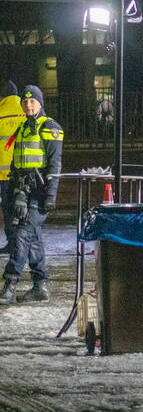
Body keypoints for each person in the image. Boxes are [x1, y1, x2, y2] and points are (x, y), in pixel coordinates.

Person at [0, 86, 63, 304]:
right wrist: (14, 192)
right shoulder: (22, 128)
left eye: (32, 101)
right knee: (33, 237)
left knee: (21, 236)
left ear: (40, 103)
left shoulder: (50, 127)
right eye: (25, 102)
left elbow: (55, 164)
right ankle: (40, 286)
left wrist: (51, 196)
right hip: (22, 192)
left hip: (39, 191)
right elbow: (17, 164)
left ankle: (10, 283)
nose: (28, 105)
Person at [0, 82, 25, 254]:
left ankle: (11, 243)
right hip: (25, 171)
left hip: (4, 173)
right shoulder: (27, 112)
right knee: (23, 208)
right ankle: (22, 244)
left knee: (8, 209)